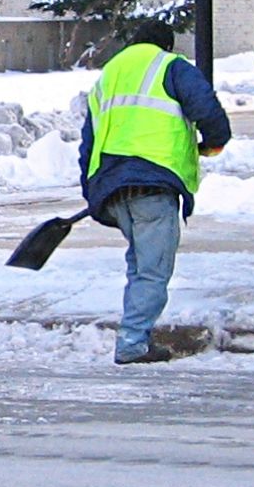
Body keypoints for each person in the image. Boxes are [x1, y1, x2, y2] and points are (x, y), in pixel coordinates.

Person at [78, 19, 231, 365]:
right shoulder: (170, 66)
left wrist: (92, 191)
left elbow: (88, 140)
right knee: (152, 270)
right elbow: (205, 106)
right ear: (167, 45)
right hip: (153, 185)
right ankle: (132, 343)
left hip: (113, 188)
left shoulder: (109, 74)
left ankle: (136, 334)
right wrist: (215, 141)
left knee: (140, 266)